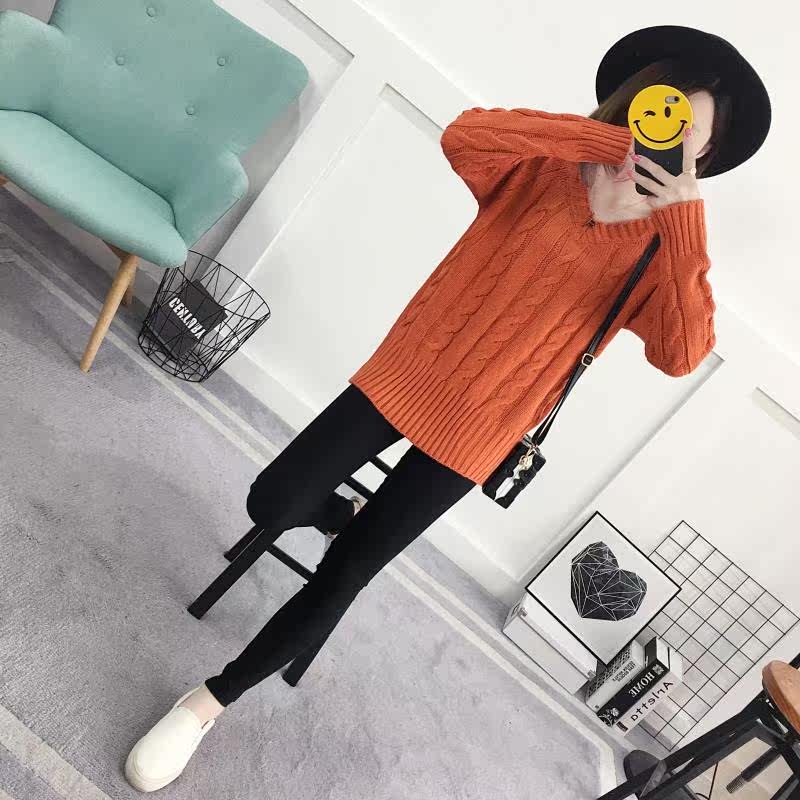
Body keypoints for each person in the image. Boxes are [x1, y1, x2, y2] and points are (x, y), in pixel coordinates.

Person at [123, 25, 771, 792]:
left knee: (347, 574)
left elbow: (682, 354)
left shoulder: (665, 249)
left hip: (481, 431)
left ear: (704, 160)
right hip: (410, 371)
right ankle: (339, 514)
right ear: (640, 102)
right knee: (274, 499)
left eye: (692, 142)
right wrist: (601, 137)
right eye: (665, 115)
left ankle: (204, 705)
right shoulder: (543, 165)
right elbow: (467, 136)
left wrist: (686, 226)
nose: (670, 142)